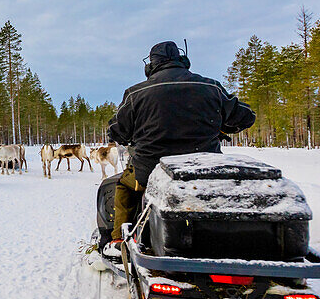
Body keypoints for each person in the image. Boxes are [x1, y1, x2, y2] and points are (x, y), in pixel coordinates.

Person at [92, 40, 255, 265]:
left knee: (123, 186)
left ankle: (119, 240)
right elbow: (246, 116)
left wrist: (127, 136)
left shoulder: (136, 93)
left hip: (149, 171)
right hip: (203, 170)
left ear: (151, 65)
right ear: (182, 60)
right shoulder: (212, 87)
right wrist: (224, 126)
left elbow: (116, 129)